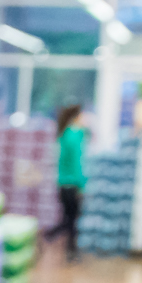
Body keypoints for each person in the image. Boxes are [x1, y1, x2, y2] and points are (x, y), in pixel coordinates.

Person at [54, 102, 89, 262]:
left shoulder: (65, 134)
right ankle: (70, 251)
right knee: (71, 221)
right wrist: (81, 186)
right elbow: (77, 164)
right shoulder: (75, 137)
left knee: (68, 220)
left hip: (62, 183)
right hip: (72, 184)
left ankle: (69, 250)